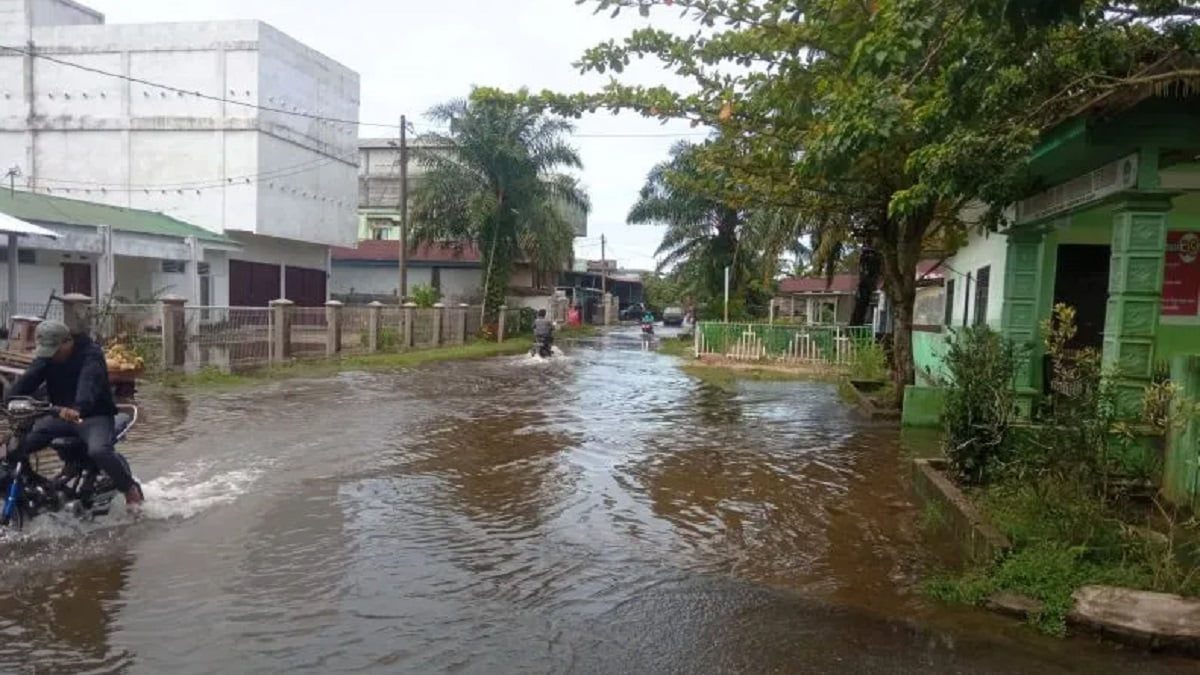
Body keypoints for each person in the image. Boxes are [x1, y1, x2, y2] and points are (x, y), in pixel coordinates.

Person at [7, 320, 143, 506]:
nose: (51, 356)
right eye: (48, 352)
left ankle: (129, 488)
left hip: (94, 416)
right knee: (14, 447)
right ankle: (37, 491)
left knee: (99, 451)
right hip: (59, 415)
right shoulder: (48, 357)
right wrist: (8, 399)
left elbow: (89, 382)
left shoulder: (91, 354)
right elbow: (29, 379)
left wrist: (78, 408)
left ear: (67, 341)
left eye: (55, 350)